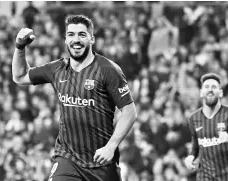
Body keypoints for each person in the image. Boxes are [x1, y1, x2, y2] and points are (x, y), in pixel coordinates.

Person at [12, 14, 137, 181]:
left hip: (101, 164)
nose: (76, 40)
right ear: (65, 39)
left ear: (92, 39)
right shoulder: (57, 69)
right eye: (71, 34)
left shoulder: (108, 70)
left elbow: (129, 111)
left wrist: (111, 147)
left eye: (82, 34)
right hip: (67, 159)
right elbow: (20, 77)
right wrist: (20, 48)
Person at [184, 73, 228, 181]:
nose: (210, 90)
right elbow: (196, 146)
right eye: (206, 87)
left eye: (214, 87)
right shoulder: (193, 118)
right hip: (204, 177)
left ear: (220, 93)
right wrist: (191, 157)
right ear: (201, 93)